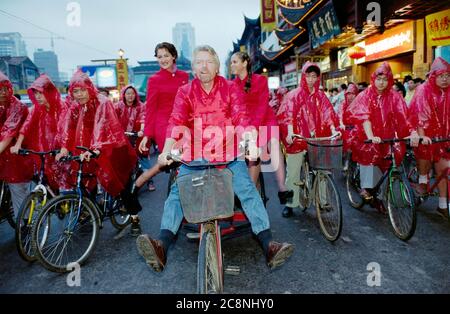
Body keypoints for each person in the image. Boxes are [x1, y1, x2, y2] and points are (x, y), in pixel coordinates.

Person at [136, 45, 294, 272]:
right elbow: (176, 122)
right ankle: (162, 245)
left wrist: (250, 142)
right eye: (199, 62)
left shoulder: (230, 88)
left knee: (248, 191)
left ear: (218, 66)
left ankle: (269, 244)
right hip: (194, 156)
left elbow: (241, 117)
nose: (204, 66)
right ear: (192, 68)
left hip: (228, 155)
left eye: (209, 61)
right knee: (177, 193)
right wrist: (167, 150)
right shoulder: (185, 92)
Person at [55, 70, 141, 234]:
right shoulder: (75, 106)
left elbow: (101, 126)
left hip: (112, 146)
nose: (79, 95)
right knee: (83, 178)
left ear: (89, 88)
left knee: (121, 184)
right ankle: (89, 208)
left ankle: (135, 217)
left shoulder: (103, 102)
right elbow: (69, 127)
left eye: (82, 90)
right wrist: (64, 148)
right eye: (75, 91)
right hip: (89, 148)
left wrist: (95, 148)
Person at [346, 62, 417, 213]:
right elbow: (364, 117)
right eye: (379, 79)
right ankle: (366, 188)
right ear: (374, 79)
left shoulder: (395, 96)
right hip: (367, 135)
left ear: (389, 80)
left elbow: (404, 116)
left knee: (387, 166)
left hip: (387, 137)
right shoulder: (366, 95)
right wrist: (371, 136)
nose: (381, 82)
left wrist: (412, 132)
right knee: (369, 157)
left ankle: (379, 197)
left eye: (385, 79)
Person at [277, 62, 340, 218]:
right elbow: (288, 116)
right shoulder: (294, 95)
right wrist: (291, 133)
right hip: (298, 139)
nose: (311, 79)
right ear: (303, 76)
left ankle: (323, 201)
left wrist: (333, 130)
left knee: (323, 169)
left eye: (314, 76)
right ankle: (289, 204)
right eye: (308, 75)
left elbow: (328, 114)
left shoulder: (321, 96)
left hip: (316, 139)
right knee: (292, 173)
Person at [230, 51, 293, 205]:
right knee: (250, 153)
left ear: (244, 63)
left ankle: (282, 188)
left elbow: (262, 106)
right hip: (244, 123)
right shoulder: (232, 85)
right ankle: (248, 190)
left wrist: (255, 127)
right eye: (231, 62)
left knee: (273, 145)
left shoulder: (260, 80)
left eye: (234, 62)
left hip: (265, 119)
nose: (231, 65)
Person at [137, 42, 189, 192]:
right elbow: (150, 109)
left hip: (184, 124)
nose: (163, 59)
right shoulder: (154, 80)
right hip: (164, 128)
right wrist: (147, 135)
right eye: (159, 57)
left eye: (166, 55)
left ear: (174, 56)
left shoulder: (184, 76)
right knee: (177, 160)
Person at [409, 57, 450, 219]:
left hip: (444, 135)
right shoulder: (423, 90)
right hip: (424, 133)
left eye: (447, 75)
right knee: (424, 150)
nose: (445, 79)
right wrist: (422, 135)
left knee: (443, 169)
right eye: (441, 76)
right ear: (433, 76)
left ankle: (442, 206)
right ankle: (423, 179)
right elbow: (420, 115)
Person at [10, 74, 67, 191]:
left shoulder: (62, 106)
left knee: (64, 186)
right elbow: (26, 126)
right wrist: (18, 144)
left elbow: (67, 130)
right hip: (44, 152)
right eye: (36, 93)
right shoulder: (36, 108)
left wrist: (64, 148)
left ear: (49, 92)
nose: (38, 97)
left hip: (61, 152)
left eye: (41, 93)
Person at [0, 71, 34, 218]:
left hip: (17, 156)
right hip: (3, 154)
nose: (2, 92)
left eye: (4, 89)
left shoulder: (18, 107)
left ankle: (25, 226)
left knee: (18, 191)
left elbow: (8, 133)